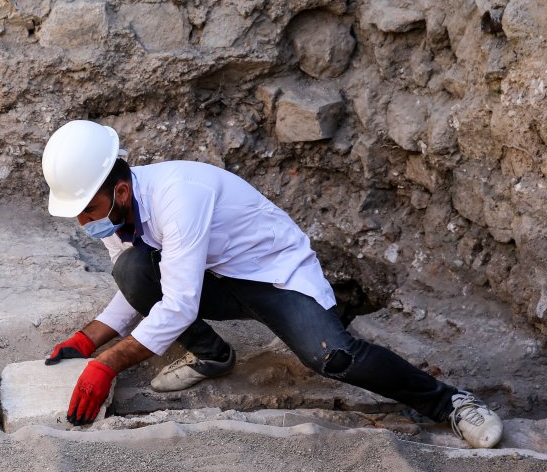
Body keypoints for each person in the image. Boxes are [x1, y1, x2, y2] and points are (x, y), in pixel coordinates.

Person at [41, 120, 504, 448]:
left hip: (274, 276)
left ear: (119, 191)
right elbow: (136, 284)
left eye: (87, 209)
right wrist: (92, 337)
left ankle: (450, 403)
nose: (84, 221)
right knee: (133, 268)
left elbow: (179, 304)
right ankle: (212, 355)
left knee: (333, 356)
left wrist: (109, 364)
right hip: (216, 277)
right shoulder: (119, 214)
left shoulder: (179, 195)